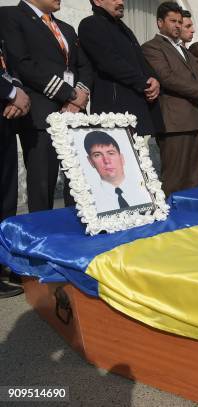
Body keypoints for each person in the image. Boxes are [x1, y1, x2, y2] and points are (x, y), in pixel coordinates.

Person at [1, 0, 92, 212]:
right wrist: (68, 94)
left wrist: (79, 95)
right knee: (42, 185)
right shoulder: (11, 16)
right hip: (41, 114)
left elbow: (84, 66)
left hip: (74, 112)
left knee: (78, 183)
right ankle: (42, 238)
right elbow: (21, 64)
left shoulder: (66, 28)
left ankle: (77, 231)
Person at [142, 2, 198, 196]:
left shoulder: (185, 50)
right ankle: (172, 221)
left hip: (196, 120)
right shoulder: (152, 47)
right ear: (159, 22)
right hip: (174, 123)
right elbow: (166, 77)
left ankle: (195, 218)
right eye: (172, 21)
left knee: (195, 178)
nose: (177, 25)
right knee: (174, 179)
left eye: (180, 22)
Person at [79, 0, 162, 137]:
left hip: (138, 109)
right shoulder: (91, 24)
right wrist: (144, 83)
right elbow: (110, 62)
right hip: (115, 112)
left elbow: (140, 61)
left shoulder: (124, 29)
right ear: (97, 1)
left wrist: (153, 79)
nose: (121, 2)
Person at [0, 45, 30, 299]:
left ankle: (2, 263)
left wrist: (17, 92)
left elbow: (8, 66)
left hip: (5, 119)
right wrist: (10, 92)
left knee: (6, 199)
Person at [84, 131, 152, 213]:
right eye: (97, 155)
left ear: (122, 158)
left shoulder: (144, 190)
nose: (106, 160)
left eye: (111, 153)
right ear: (90, 161)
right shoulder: (91, 199)